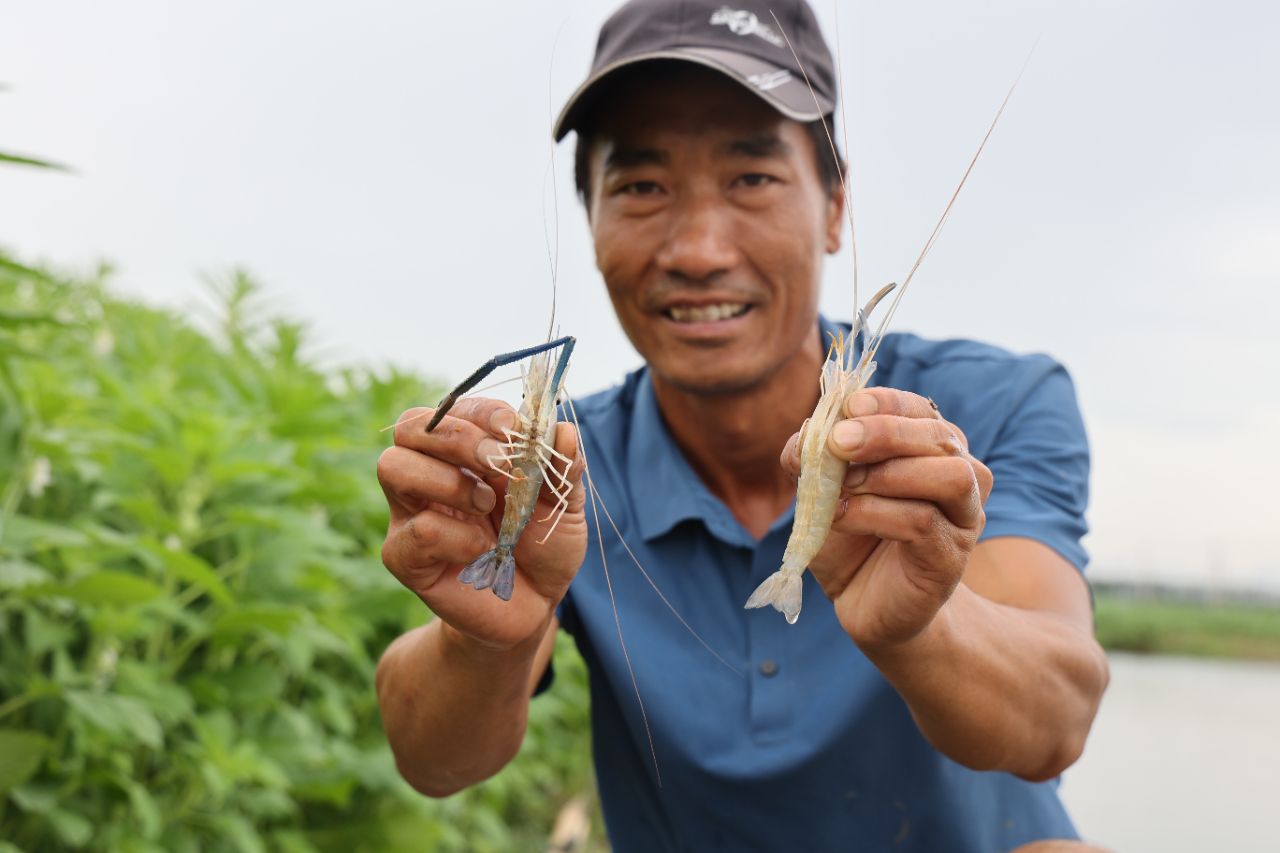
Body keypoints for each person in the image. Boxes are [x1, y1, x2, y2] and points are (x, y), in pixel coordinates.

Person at [375, 0, 1110, 850]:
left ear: (837, 209)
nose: (698, 248)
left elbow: (1059, 714)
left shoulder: (995, 404)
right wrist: (483, 638)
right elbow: (429, 758)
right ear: (592, 221)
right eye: (641, 185)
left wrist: (924, 624)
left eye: (752, 177)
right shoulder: (572, 467)